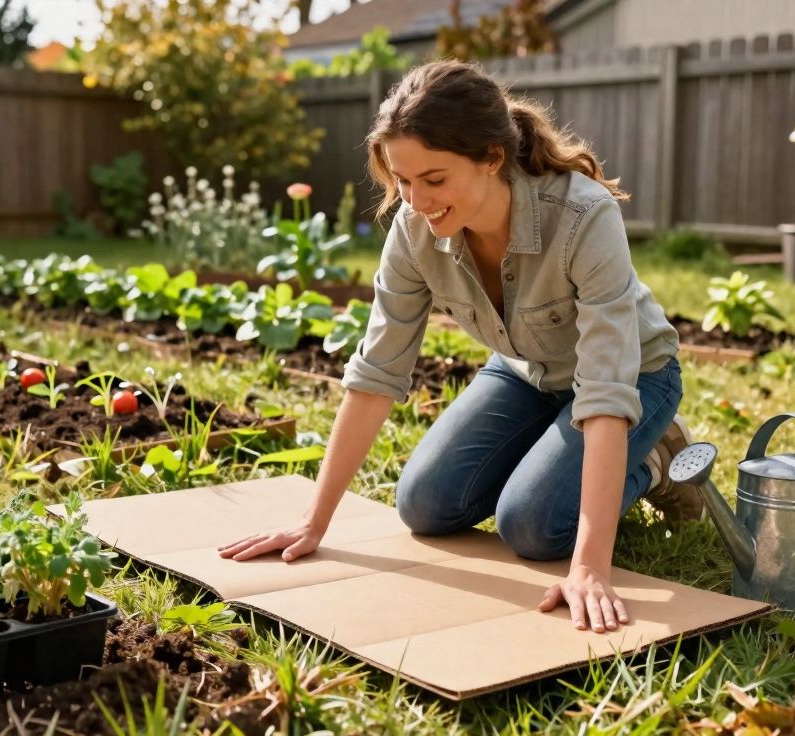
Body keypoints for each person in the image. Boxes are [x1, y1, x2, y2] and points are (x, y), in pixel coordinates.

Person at [217, 60, 704, 635]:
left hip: (634, 378)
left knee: (533, 527)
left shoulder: (582, 215)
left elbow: (604, 388)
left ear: (492, 158)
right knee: (424, 505)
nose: (416, 200)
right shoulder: (413, 229)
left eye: (434, 179)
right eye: (403, 180)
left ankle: (653, 462)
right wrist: (313, 521)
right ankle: (557, 461)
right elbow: (377, 372)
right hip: (526, 373)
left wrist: (589, 568)